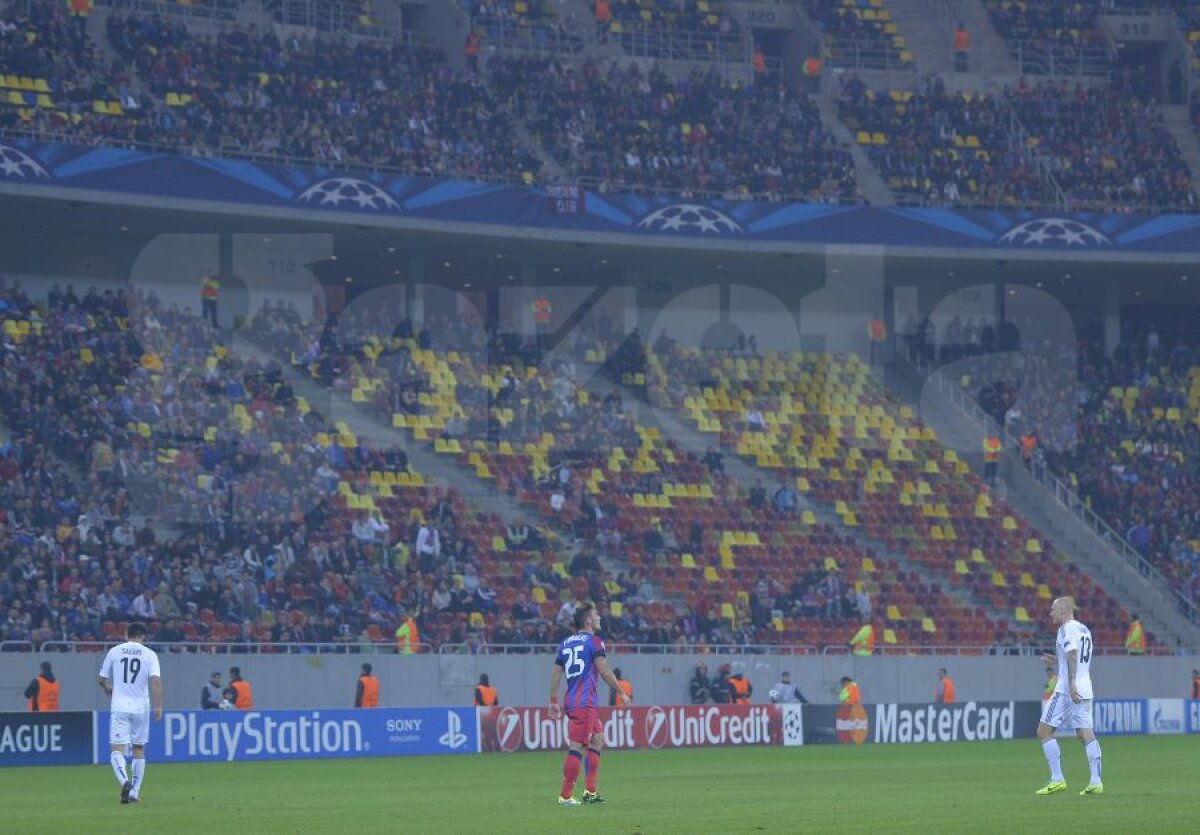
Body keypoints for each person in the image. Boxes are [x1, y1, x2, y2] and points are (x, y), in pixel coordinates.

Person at [548, 601, 625, 806]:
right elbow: (605, 671)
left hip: (571, 700)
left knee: (597, 738)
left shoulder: (565, 644)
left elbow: (556, 673)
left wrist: (553, 700)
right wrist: (621, 692)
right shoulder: (594, 641)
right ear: (589, 620)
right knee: (579, 746)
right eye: (596, 614)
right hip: (585, 702)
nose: (599, 617)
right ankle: (565, 796)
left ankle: (590, 791)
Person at [1035, 597, 1103, 796]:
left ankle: (1057, 779)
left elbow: (1073, 655)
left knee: (1043, 731)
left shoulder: (1065, 629)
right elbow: (1076, 657)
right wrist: (1057, 659)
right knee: (1085, 734)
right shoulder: (1084, 630)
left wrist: (1071, 682)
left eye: (1053, 609)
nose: (1051, 613)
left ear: (1064, 610)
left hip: (1067, 690)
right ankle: (1096, 781)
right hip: (1086, 687)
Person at [97, 622, 162, 805]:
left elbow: (101, 678)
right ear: (143, 636)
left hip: (120, 706)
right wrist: (158, 706)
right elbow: (156, 681)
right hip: (141, 707)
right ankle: (134, 793)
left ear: (127, 634)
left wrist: (107, 687)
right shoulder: (150, 654)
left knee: (117, 749)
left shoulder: (115, 651)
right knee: (139, 749)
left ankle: (124, 781)